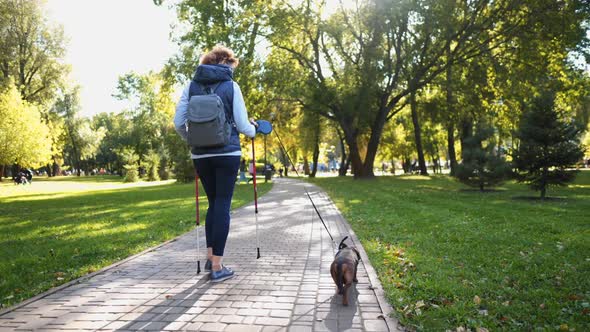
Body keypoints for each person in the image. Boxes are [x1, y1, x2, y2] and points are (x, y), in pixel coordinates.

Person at [174, 45, 257, 282]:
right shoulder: (231, 86)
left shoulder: (191, 86)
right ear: (225, 63)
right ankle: (218, 267)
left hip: (201, 155)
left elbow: (178, 121)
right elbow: (242, 125)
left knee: (213, 204)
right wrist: (255, 130)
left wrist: (192, 139)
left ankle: (211, 259)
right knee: (222, 204)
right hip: (227, 153)